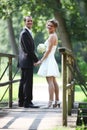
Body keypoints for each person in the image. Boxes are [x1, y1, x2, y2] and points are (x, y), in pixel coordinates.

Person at [34, 18, 60, 108]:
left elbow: (48, 50)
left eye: (51, 26)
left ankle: (50, 101)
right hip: (50, 59)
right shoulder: (52, 35)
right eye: (48, 25)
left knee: (50, 81)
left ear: (55, 27)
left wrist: (41, 61)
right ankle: (57, 100)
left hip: (49, 59)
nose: (49, 27)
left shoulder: (53, 36)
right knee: (53, 81)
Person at [18, 16, 39, 108]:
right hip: (26, 61)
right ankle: (27, 102)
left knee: (23, 81)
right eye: (28, 21)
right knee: (27, 82)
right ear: (24, 22)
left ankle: (21, 101)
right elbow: (28, 50)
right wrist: (36, 60)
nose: (30, 22)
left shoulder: (27, 33)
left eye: (31, 21)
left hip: (25, 61)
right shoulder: (24, 34)